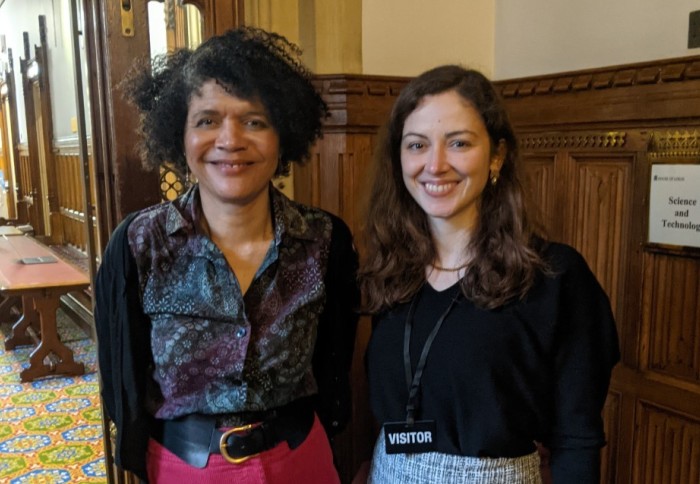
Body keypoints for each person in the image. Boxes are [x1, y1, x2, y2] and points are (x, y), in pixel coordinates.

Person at [94, 27, 359, 483]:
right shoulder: (138, 244)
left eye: (254, 121)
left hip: (300, 461)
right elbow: (123, 376)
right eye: (207, 120)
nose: (230, 139)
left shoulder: (324, 240)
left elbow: (336, 360)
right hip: (182, 467)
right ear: (179, 134)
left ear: (283, 135)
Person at [359, 65, 620, 484]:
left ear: (497, 155)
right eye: (417, 145)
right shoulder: (388, 271)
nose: (435, 164)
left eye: (458, 143)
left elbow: (577, 439)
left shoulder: (555, 276)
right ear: (399, 159)